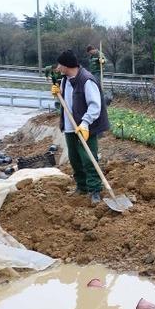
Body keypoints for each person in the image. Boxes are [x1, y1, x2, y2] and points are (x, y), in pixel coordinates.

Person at [50, 50, 109, 204]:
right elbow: (69, 99)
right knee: (75, 158)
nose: (58, 68)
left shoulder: (86, 80)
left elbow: (95, 106)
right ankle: (81, 187)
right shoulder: (65, 80)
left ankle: (95, 189)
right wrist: (58, 93)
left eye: (60, 65)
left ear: (66, 65)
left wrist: (85, 123)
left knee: (89, 158)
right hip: (70, 127)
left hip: (84, 127)